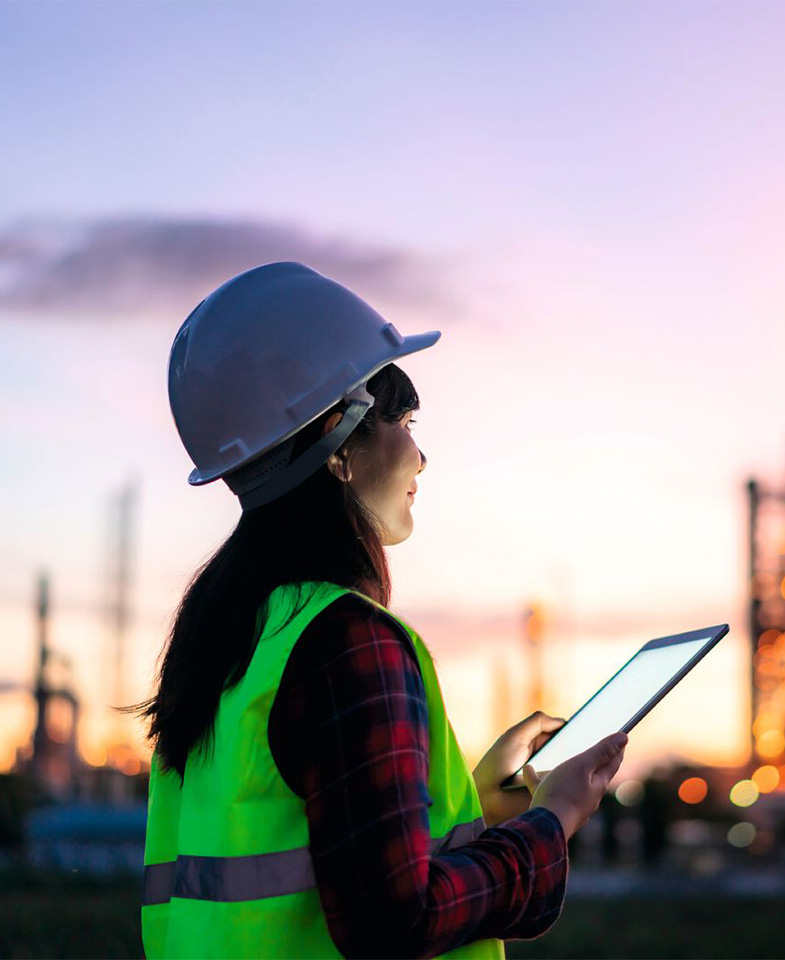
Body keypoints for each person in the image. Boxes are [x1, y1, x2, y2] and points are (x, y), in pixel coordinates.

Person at [138, 261, 628, 959]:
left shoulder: (232, 641)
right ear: (339, 439)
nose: (421, 456)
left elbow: (315, 859)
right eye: (403, 420)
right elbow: (391, 919)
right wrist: (555, 817)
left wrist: (480, 803)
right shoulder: (348, 642)